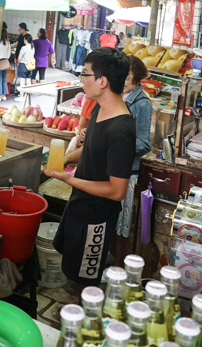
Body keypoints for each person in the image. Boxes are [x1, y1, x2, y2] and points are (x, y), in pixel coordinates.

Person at [44, 48, 136, 293]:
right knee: (73, 267)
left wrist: (69, 179)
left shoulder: (120, 130)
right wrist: (65, 159)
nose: (81, 79)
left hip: (97, 217)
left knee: (86, 280)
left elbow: (116, 191)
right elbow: (91, 150)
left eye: (85, 74)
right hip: (79, 206)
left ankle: (85, 321)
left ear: (102, 81)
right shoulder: (99, 108)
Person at [113, 55, 153, 263]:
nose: (123, 82)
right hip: (111, 168)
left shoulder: (142, 104)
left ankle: (119, 267)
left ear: (137, 79)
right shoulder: (118, 97)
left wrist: (117, 147)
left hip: (128, 171)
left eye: (127, 78)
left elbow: (145, 144)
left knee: (122, 226)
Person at [0, 28, 12, 102]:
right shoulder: (7, 43)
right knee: (4, 79)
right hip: (6, 61)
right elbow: (9, 53)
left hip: (0, 61)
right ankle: (4, 95)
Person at [14, 34, 34, 101]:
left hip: (23, 65)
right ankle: (27, 97)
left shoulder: (24, 48)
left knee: (22, 82)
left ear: (25, 40)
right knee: (28, 81)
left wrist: (18, 62)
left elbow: (19, 58)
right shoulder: (32, 47)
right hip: (30, 66)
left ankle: (21, 97)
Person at [11, 23, 30, 95]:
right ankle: (24, 92)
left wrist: (19, 60)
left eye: (19, 29)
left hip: (24, 60)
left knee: (23, 77)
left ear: (23, 29)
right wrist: (9, 47)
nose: (18, 30)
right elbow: (16, 44)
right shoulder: (20, 36)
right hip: (20, 58)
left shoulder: (27, 37)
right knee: (24, 77)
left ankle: (23, 93)